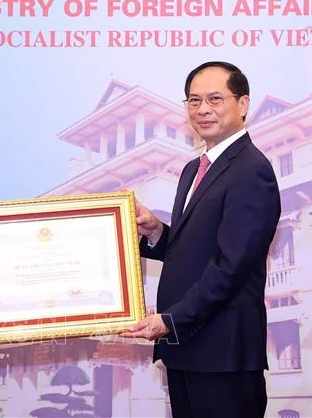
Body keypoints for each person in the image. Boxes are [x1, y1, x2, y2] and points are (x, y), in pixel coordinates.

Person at [121, 61, 280, 418]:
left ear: (242, 104)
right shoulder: (194, 169)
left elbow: (232, 266)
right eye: (194, 101)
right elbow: (196, 248)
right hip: (188, 349)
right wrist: (158, 232)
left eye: (215, 99)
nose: (203, 109)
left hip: (223, 356)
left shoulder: (251, 169)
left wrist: (171, 320)